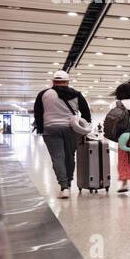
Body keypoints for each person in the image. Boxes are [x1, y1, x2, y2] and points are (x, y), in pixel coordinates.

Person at [34, 70, 92, 198]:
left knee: (57, 157)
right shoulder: (77, 94)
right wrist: (85, 127)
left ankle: (63, 186)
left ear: (53, 81)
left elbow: (38, 112)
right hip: (71, 128)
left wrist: (40, 129)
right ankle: (69, 182)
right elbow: (86, 112)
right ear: (67, 81)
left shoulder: (44, 94)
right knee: (70, 156)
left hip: (50, 129)